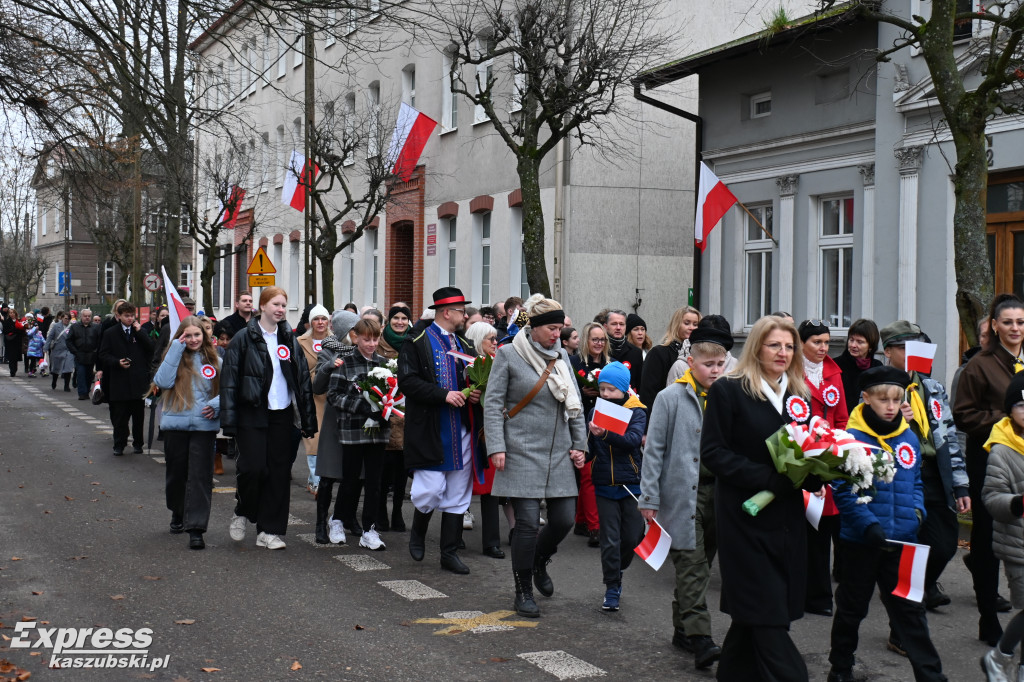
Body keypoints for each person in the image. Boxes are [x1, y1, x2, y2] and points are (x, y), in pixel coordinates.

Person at [701, 315, 818, 680]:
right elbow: (714, 453)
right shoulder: (729, 390)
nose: (783, 353)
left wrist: (817, 473)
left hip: (786, 521)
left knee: (754, 618)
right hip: (743, 518)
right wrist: (767, 478)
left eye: (789, 346)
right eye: (774, 345)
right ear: (756, 348)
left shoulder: (800, 395)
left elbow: (810, 449)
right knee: (768, 616)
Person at [828, 365, 946, 682]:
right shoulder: (851, 440)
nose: (891, 406)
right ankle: (840, 668)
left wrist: (917, 513)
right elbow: (842, 490)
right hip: (862, 541)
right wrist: (868, 525)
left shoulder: (908, 436)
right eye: (883, 399)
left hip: (903, 543)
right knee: (852, 609)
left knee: (911, 612)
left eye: (896, 399)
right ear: (866, 398)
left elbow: (917, 482)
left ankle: (931, 675)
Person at [483, 293, 587, 617]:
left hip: (558, 452)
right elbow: (492, 403)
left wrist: (581, 445)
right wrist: (496, 447)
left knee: (564, 519)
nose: (558, 334)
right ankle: (523, 589)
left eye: (560, 329)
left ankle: (540, 559)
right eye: (552, 328)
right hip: (520, 450)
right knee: (527, 523)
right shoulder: (510, 355)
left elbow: (576, 404)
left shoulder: (562, 357)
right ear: (536, 328)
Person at [640, 326, 729, 669]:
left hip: (717, 496)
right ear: (691, 363)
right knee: (691, 566)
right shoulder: (669, 398)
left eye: (721, 364)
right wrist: (648, 498)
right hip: (681, 495)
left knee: (702, 566)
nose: (716, 371)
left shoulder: (726, 397)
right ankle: (702, 639)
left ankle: (682, 629)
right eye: (709, 364)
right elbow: (655, 451)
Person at [881, 320, 970, 620]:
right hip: (902, 476)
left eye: (914, 346)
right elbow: (867, 436)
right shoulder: (879, 387)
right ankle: (905, 615)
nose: (909, 353)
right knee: (909, 549)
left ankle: (923, 585)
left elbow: (949, 438)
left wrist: (960, 485)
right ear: (888, 351)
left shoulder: (931, 387)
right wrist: (896, 422)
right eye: (902, 348)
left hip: (935, 474)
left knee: (945, 545)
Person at [220, 287, 317, 551]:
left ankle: (270, 530)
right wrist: (228, 421)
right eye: (276, 304)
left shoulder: (289, 339)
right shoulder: (243, 338)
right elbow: (228, 381)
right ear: (262, 306)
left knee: (278, 473)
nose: (281, 309)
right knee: (253, 469)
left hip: (282, 414)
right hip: (252, 411)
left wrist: (308, 421)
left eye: (284, 305)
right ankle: (243, 509)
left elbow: (302, 382)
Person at [397, 287, 484, 574]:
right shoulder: (417, 341)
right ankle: (418, 532)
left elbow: (472, 380)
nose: (464, 316)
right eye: (461, 311)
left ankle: (449, 553)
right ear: (447, 312)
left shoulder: (465, 344)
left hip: (461, 429)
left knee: (459, 493)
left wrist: (473, 394)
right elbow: (407, 383)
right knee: (430, 490)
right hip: (431, 429)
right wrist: (442, 395)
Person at [954, 293, 1024, 645]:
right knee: (986, 540)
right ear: (994, 326)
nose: (1015, 328)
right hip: (991, 460)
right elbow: (963, 415)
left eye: (1020, 322)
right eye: (1007, 322)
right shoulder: (979, 364)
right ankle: (987, 617)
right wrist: (1006, 418)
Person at [153, 316, 221, 550]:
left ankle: (196, 529)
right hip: (176, 426)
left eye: (197, 334)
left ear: (204, 336)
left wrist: (217, 405)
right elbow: (161, 381)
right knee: (176, 476)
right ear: (181, 336)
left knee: (200, 478)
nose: (193, 339)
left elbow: (228, 389)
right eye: (188, 335)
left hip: (204, 426)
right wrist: (175, 349)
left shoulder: (215, 361)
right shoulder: (173, 358)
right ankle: (178, 511)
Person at [797, 319, 849, 618]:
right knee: (806, 530)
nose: (823, 348)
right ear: (803, 343)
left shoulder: (833, 372)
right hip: (800, 456)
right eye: (817, 342)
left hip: (829, 457)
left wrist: (836, 442)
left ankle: (820, 595)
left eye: (827, 342)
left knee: (826, 528)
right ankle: (806, 592)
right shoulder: (792, 371)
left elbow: (841, 416)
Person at [584, 361, 646, 612]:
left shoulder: (637, 411)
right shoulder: (594, 413)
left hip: (631, 482)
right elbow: (589, 445)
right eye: (602, 389)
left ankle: (617, 568)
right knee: (609, 539)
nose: (606, 394)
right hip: (604, 483)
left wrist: (605, 434)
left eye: (611, 389)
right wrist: (582, 455)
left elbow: (632, 441)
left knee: (632, 536)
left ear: (623, 389)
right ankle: (612, 586)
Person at [326, 318, 392, 551]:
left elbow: (394, 396)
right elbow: (333, 396)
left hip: (379, 431)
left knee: (374, 482)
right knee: (351, 480)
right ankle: (337, 520)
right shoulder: (345, 363)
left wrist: (386, 409)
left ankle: (369, 529)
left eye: (375, 339)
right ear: (356, 338)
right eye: (367, 339)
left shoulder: (386, 364)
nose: (372, 344)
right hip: (353, 430)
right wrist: (360, 405)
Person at [981, 372, 1024, 681]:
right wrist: (1018, 503)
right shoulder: (1002, 449)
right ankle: (999, 658)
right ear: (1010, 410)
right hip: (1018, 546)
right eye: (1021, 405)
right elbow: (992, 497)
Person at [311, 310, 360, 545]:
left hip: (358, 418)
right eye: (355, 330)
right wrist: (328, 365)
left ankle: (347, 517)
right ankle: (321, 523)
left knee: (356, 475)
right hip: (334, 419)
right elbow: (317, 387)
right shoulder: (328, 350)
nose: (359, 334)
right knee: (328, 475)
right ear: (346, 333)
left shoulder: (364, 351)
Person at [465, 320, 506, 558]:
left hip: (493, 431)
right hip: (471, 431)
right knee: (460, 487)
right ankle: (453, 538)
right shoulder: (467, 366)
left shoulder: (501, 362)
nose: (495, 342)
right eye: (490, 339)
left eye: (495, 338)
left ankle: (492, 541)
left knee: (492, 487)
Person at [570, 321, 609, 547]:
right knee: (587, 473)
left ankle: (581, 520)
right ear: (586, 341)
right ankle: (595, 528)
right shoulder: (575, 362)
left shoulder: (609, 364)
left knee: (592, 473)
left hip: (603, 422)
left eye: (602, 339)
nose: (599, 343)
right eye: (595, 339)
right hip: (581, 423)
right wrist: (583, 392)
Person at [99, 302, 154, 456]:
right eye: (126, 316)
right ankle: (119, 444)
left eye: (132, 316)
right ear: (119, 316)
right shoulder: (110, 333)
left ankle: (138, 443)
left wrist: (141, 332)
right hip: (119, 380)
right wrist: (116, 362)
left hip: (137, 379)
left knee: (138, 416)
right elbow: (103, 354)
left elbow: (151, 348)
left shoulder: (139, 331)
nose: (130, 319)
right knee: (120, 416)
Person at [377, 304, 412, 532]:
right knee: (383, 471)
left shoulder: (415, 341)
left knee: (402, 471)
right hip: (384, 414)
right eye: (395, 318)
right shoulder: (378, 343)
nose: (400, 322)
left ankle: (398, 511)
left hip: (408, 415)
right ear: (389, 320)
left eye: (403, 318)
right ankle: (380, 512)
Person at [640, 307, 701, 416]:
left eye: (695, 324)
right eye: (687, 323)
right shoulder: (658, 353)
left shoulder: (700, 355)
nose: (691, 327)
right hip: (663, 415)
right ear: (676, 325)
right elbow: (648, 394)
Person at [297, 304, 331, 495]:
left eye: (323, 319)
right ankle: (317, 482)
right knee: (313, 439)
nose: (320, 322)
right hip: (310, 397)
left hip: (330, 396)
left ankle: (314, 479)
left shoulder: (336, 341)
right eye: (316, 319)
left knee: (327, 440)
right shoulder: (301, 342)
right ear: (310, 322)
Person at [833, 319, 882, 413]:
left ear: (870, 346)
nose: (853, 345)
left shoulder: (878, 367)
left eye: (860, 342)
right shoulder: (836, 365)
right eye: (851, 340)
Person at [65, 308, 100, 398]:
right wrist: (75, 351)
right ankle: (82, 393)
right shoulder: (75, 327)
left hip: (91, 355)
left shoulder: (96, 327)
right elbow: (69, 340)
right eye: (85, 316)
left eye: (89, 316)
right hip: (79, 355)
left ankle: (87, 391)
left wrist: (96, 351)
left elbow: (100, 340)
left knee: (89, 375)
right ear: (81, 316)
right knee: (81, 374)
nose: (87, 318)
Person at [604, 309, 643, 389]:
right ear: (606, 327)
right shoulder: (600, 349)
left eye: (621, 324)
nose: (618, 328)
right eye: (614, 324)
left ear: (626, 327)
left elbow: (640, 385)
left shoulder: (636, 352)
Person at [45, 312, 75, 391]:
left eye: (68, 319)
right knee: (56, 368)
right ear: (61, 318)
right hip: (58, 349)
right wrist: (45, 347)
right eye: (65, 318)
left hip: (68, 350)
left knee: (68, 368)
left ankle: (66, 386)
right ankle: (54, 381)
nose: (67, 320)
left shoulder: (72, 327)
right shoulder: (56, 326)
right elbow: (50, 337)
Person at [2, 308, 25, 377]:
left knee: (15, 358)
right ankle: (12, 371)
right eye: (10, 313)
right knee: (11, 357)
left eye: (13, 313)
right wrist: (15, 330)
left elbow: (22, 332)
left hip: (17, 341)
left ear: (15, 314)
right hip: (10, 341)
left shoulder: (19, 321)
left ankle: (14, 369)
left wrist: (19, 329)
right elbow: (5, 331)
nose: (11, 314)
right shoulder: (7, 321)